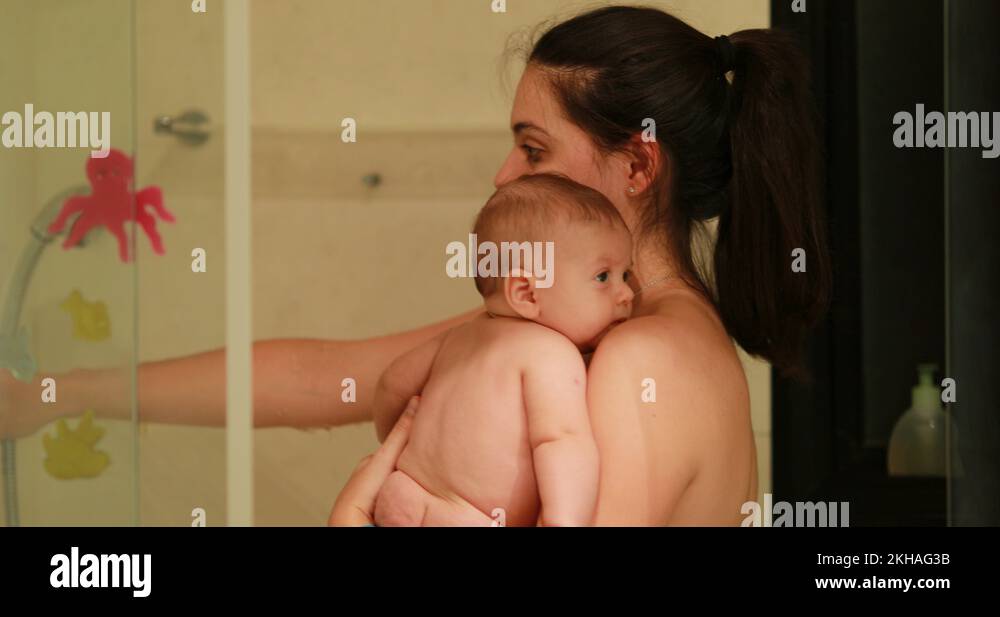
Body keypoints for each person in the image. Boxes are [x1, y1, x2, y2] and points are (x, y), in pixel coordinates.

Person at [2, 5, 830, 526]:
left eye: (533, 148)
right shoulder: (578, 324)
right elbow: (323, 377)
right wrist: (54, 395)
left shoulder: (641, 359)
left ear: (638, 166)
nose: (504, 176)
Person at [370, 173, 632, 527]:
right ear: (526, 293)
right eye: (603, 276)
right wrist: (563, 521)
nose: (626, 294)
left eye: (625, 275)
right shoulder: (550, 354)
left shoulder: (459, 338)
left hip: (400, 495)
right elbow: (562, 441)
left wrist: (394, 453)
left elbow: (391, 384)